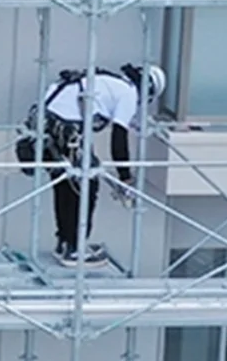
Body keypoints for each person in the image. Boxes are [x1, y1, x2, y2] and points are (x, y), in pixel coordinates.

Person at [34, 63, 162, 269]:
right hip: (68, 126)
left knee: (64, 184)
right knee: (86, 185)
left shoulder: (113, 84)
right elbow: (118, 138)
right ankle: (75, 249)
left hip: (49, 123)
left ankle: (65, 242)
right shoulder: (128, 94)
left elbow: (125, 122)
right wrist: (125, 176)